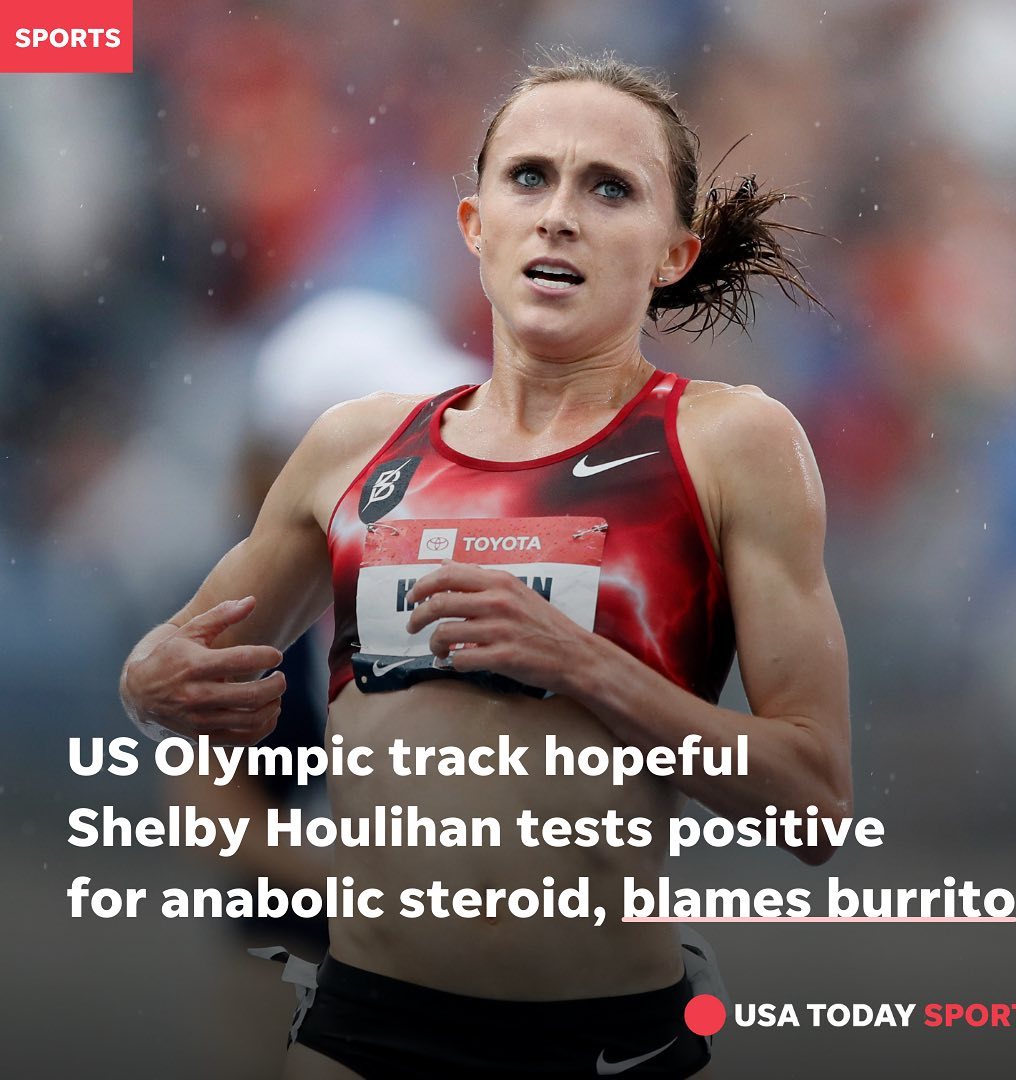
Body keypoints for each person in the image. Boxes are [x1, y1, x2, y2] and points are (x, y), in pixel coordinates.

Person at [120, 51, 851, 1080]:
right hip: (363, 1031)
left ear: (675, 253)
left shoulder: (732, 444)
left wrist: (583, 663)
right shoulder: (352, 446)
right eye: (529, 177)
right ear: (475, 225)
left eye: (610, 188)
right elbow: (180, 671)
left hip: (604, 1042)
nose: (558, 216)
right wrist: (144, 681)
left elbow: (813, 803)